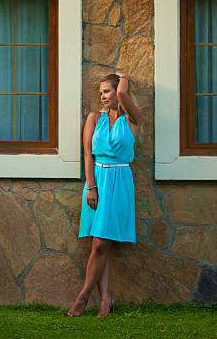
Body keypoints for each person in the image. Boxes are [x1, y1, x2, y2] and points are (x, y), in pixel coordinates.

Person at [67, 72, 143, 318]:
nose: (103, 96)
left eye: (107, 91)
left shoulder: (134, 119)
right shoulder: (93, 118)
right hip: (96, 181)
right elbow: (88, 154)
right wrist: (91, 186)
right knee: (99, 243)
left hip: (120, 183)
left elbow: (123, 94)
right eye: (100, 92)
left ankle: (83, 296)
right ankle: (106, 300)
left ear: (119, 92)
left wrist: (123, 80)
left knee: (101, 243)